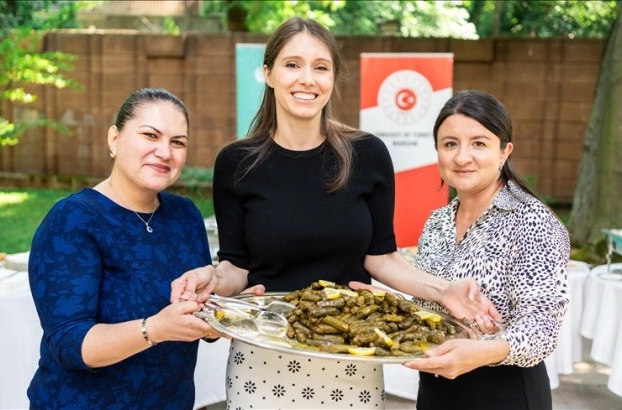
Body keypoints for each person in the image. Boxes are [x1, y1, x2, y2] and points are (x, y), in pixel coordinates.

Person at [171, 18, 500, 409]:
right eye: (292, 64)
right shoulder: (236, 163)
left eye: (320, 67)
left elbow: (382, 257)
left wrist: (444, 290)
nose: (307, 79)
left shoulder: (368, 155)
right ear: (268, 73)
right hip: (264, 355)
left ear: (333, 78)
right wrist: (209, 276)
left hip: (352, 354)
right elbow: (236, 268)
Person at [27, 88, 221, 409]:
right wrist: (154, 329)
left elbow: (191, 310)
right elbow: (69, 344)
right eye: (150, 135)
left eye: (178, 142)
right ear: (114, 139)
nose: (164, 152)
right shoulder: (73, 219)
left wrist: (222, 317)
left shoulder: (185, 214)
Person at [400, 90, 570, 409]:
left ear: (504, 151)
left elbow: (543, 325)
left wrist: (484, 350)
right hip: (437, 390)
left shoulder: (530, 220)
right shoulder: (437, 221)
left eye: (479, 143)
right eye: (450, 144)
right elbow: (427, 302)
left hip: (504, 393)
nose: (462, 157)